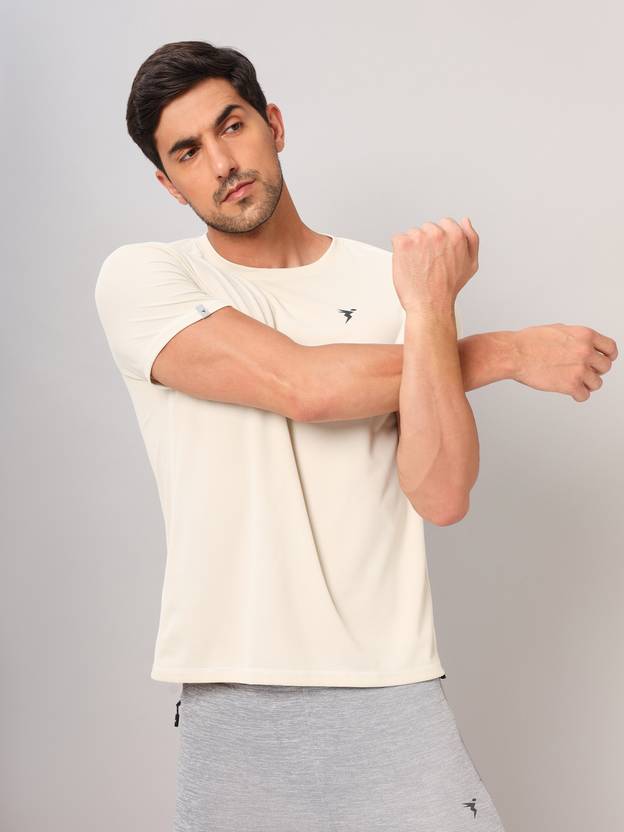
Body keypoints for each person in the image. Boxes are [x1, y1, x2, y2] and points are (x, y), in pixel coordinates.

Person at [94, 40, 617, 832]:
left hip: (394, 688)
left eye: (232, 125)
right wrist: (508, 352)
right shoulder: (146, 279)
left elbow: (441, 496)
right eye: (188, 152)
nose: (222, 163)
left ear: (273, 123)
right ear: (168, 184)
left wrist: (430, 309)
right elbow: (303, 386)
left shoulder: (395, 286)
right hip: (238, 705)